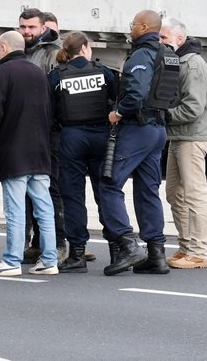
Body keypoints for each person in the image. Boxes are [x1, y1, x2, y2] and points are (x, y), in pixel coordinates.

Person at [0, 31, 59, 276]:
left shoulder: (1, 73)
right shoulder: (38, 72)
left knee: (15, 209)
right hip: (40, 151)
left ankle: (12, 260)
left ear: (3, 48)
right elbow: (50, 112)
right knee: (44, 207)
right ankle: (49, 260)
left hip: (13, 152)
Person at [103, 9, 171, 276]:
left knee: (109, 184)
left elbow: (136, 92)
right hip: (158, 129)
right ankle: (156, 253)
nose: (130, 29)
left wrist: (118, 112)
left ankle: (128, 244)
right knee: (147, 190)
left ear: (144, 27)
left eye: (133, 25)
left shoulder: (143, 54)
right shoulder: (170, 55)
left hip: (137, 129)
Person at [49, 31, 117, 273]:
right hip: (100, 136)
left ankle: (77, 253)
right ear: (86, 48)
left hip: (71, 137)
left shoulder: (57, 76)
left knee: (73, 196)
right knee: (106, 194)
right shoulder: (104, 72)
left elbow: (49, 111)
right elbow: (116, 100)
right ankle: (116, 250)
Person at [160, 18, 207, 269]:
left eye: (163, 38)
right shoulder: (179, 61)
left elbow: (194, 106)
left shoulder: (193, 64)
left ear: (179, 40)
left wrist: (166, 116)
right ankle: (185, 247)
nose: (160, 42)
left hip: (191, 136)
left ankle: (199, 251)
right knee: (174, 193)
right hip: (179, 135)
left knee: (194, 194)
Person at [19, 8, 66, 262]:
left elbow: (58, 95)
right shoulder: (21, 51)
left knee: (51, 189)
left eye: (32, 28)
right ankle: (36, 243)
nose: (27, 32)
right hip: (25, 132)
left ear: (42, 27)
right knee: (28, 190)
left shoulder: (52, 53)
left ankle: (58, 244)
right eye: (23, 27)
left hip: (49, 132)